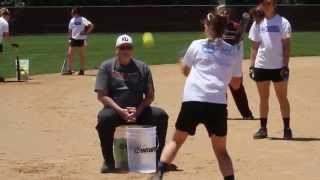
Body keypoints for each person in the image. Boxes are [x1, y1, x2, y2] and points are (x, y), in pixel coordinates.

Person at [156, 12, 239, 180]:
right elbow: (236, 84)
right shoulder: (232, 51)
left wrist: (181, 60)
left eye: (205, 25)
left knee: (176, 141)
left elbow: (186, 71)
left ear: (208, 28)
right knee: (221, 151)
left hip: (193, 99)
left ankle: (159, 174)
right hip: (217, 103)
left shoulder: (196, 45)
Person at [94, 34, 168, 173]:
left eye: (128, 47)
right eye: (122, 47)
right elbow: (101, 95)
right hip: (115, 111)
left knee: (160, 115)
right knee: (104, 118)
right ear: (116, 50)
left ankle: (158, 160)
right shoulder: (106, 67)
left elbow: (150, 96)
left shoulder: (143, 67)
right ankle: (109, 162)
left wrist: (138, 111)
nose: (125, 50)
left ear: (132, 49)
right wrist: (120, 110)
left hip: (138, 110)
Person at [249, 0, 292, 139]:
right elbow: (254, 46)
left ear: (274, 5)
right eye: (264, 3)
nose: (266, 6)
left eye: (269, 3)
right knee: (263, 98)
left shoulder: (283, 22)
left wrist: (285, 66)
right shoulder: (257, 23)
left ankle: (287, 128)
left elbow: (286, 46)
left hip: (278, 66)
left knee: (282, 98)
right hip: (261, 66)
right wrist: (252, 65)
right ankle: (263, 129)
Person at [217, 5, 254, 120]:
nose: (225, 14)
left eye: (226, 12)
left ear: (229, 14)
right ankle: (221, 113)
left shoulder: (236, 26)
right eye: (222, 12)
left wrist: (240, 33)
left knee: (237, 87)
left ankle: (247, 114)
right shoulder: (216, 28)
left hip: (234, 62)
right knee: (220, 88)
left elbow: (238, 40)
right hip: (219, 62)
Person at [64, 6, 93, 75]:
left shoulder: (82, 19)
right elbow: (70, 30)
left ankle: (82, 70)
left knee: (81, 55)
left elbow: (91, 25)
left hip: (81, 39)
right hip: (73, 39)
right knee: (69, 54)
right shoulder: (72, 20)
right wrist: (69, 38)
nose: (71, 13)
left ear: (76, 12)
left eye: (72, 11)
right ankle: (69, 70)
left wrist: (86, 33)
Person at [0, 8, 19, 82]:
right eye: (9, 15)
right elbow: (6, 36)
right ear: (6, 15)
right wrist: (12, 44)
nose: (9, 16)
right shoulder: (5, 23)